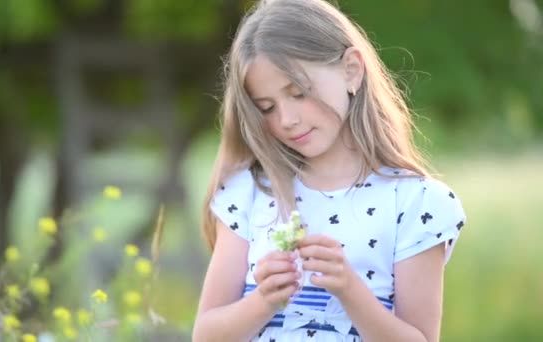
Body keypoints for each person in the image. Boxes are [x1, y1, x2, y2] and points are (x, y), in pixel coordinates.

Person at [192, 0, 466, 341]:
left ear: (351, 70)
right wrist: (264, 300)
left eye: (299, 92)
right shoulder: (249, 193)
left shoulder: (415, 203)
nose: (287, 120)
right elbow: (205, 335)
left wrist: (350, 289)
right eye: (267, 107)